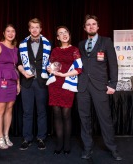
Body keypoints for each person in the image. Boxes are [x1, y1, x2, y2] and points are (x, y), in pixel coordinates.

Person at [77, 14, 122, 160]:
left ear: (98, 26)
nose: (91, 26)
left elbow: (113, 64)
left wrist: (113, 84)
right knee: (84, 119)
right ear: (85, 28)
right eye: (88, 24)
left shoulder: (106, 41)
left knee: (105, 118)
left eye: (93, 24)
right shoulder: (80, 44)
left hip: (100, 86)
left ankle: (112, 148)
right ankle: (87, 148)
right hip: (83, 86)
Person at [46, 26, 82, 155]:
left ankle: (67, 144)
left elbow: (79, 68)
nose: (64, 34)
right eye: (60, 33)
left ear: (69, 34)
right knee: (56, 114)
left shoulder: (74, 50)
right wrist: (50, 69)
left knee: (66, 115)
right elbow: (49, 65)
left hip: (67, 84)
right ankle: (59, 143)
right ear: (58, 38)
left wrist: (63, 75)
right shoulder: (55, 50)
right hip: (55, 85)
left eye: (65, 32)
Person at [18, 18, 51, 150]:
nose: (35, 29)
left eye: (37, 27)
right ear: (29, 29)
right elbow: (18, 63)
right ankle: (27, 138)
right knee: (27, 112)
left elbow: (51, 61)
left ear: (41, 29)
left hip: (42, 82)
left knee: (42, 111)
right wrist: (23, 72)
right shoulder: (22, 44)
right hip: (26, 82)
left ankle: (41, 138)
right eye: (32, 27)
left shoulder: (48, 44)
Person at [0, 23, 20, 149]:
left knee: (9, 109)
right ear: (4, 33)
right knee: (0, 109)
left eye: (13, 31)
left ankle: (6, 135)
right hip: (0, 81)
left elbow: (15, 68)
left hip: (12, 81)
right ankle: (0, 136)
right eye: (8, 31)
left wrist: (18, 83)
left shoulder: (15, 48)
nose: (11, 33)